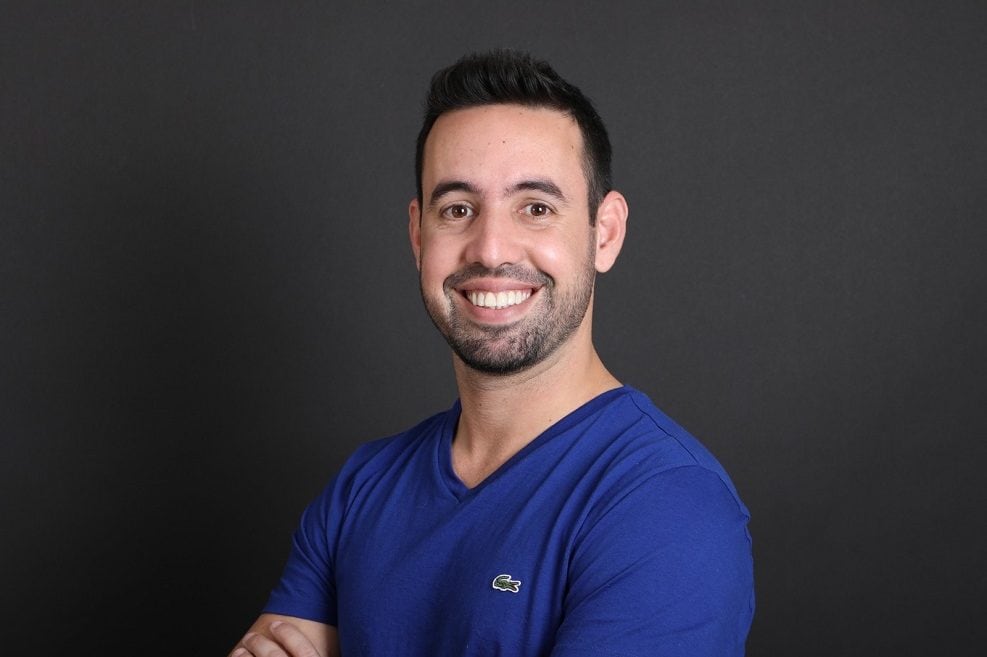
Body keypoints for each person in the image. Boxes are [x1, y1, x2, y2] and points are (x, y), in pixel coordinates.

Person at [230, 50, 754, 657]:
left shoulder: (667, 505)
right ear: (418, 235)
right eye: (458, 209)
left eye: (536, 208)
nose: (490, 248)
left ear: (604, 233)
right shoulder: (362, 487)